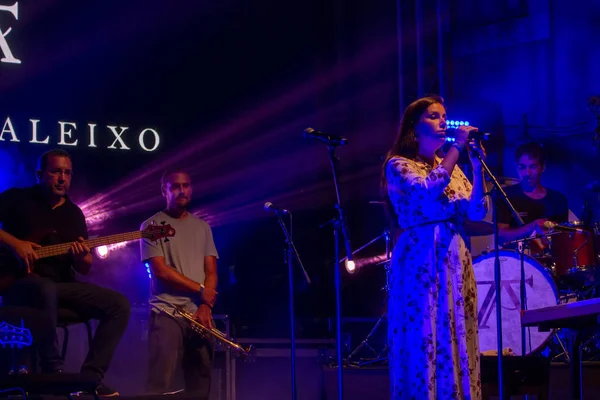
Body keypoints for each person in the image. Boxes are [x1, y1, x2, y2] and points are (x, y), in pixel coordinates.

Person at [382, 95, 488, 399]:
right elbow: (427, 191)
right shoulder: (399, 165)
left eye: (444, 115)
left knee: (455, 331)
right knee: (426, 332)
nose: (443, 121)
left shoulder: (452, 167)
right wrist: (456, 148)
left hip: (454, 254)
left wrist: (477, 166)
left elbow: (477, 212)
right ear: (415, 127)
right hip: (420, 257)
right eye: (433, 116)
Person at [0, 149, 130, 396]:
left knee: (119, 305)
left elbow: (84, 267)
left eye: (67, 173)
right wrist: (16, 244)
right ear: (40, 174)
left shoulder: (74, 213)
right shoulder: (17, 199)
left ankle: (90, 378)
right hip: (18, 284)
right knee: (44, 288)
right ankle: (53, 371)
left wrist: (82, 256)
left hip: (62, 287)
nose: (62, 178)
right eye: (56, 171)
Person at [140, 168, 218, 397]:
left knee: (201, 382)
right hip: (166, 311)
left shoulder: (203, 227)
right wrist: (201, 291)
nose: (182, 190)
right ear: (164, 190)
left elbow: (211, 270)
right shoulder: (151, 225)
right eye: (175, 186)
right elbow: (161, 271)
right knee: (159, 383)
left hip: (199, 314)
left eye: (186, 185)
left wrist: (205, 306)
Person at [497, 141, 569, 253]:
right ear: (516, 167)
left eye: (533, 166)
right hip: (515, 261)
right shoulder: (505, 195)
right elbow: (501, 236)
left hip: (549, 263)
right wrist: (533, 226)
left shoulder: (558, 199)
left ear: (543, 167)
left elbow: (564, 239)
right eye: (522, 167)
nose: (527, 173)